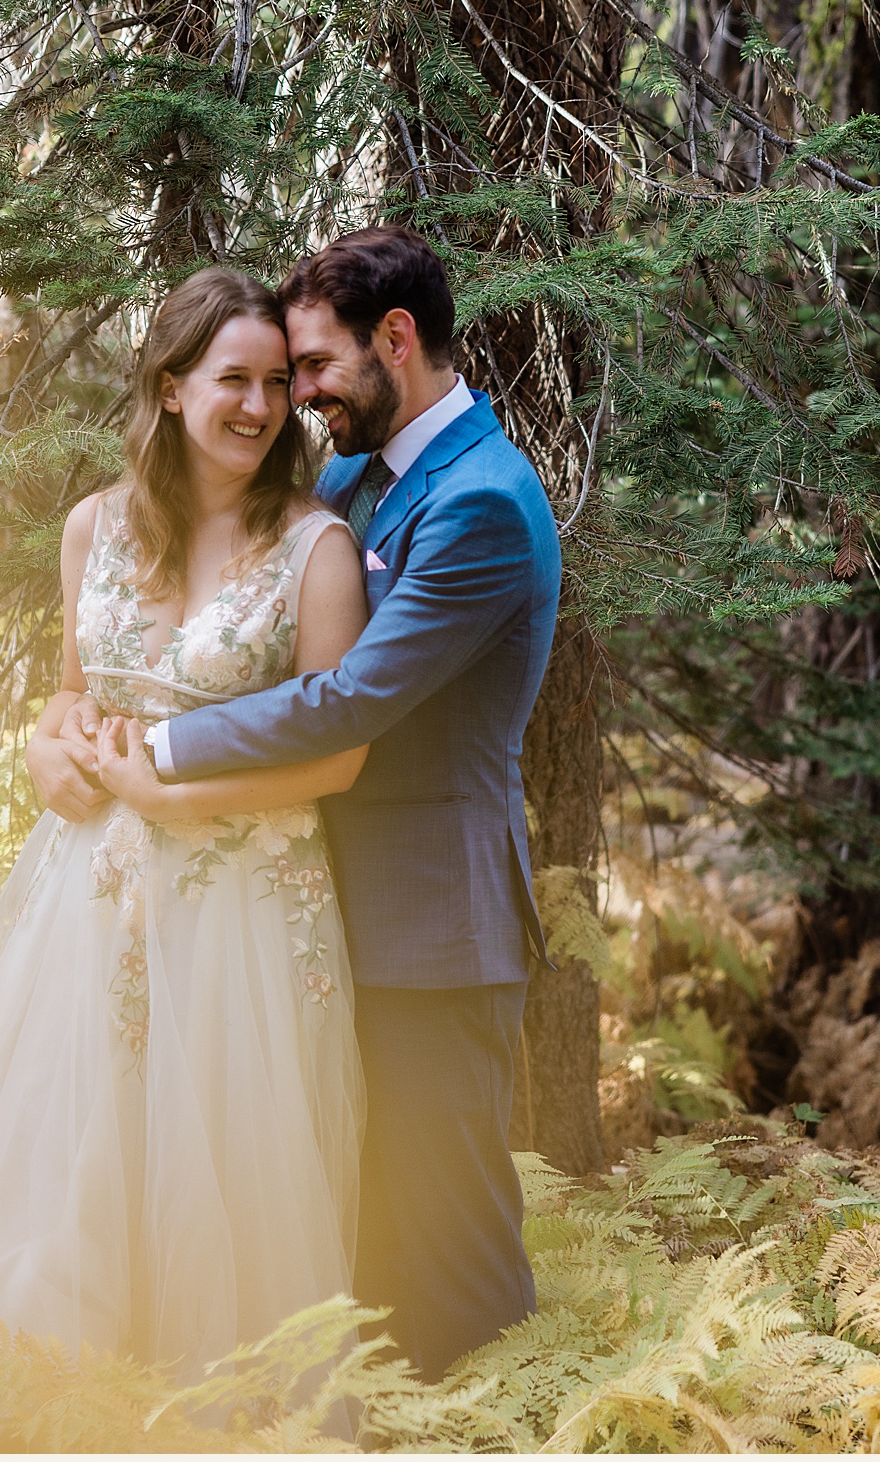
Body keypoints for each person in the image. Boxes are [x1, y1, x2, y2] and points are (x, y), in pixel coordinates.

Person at [0, 267, 371, 1449]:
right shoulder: (93, 526)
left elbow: (336, 760)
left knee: (224, 1202)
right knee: (57, 1183)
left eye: (277, 383)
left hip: (243, 908)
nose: (257, 405)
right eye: (231, 378)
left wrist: (170, 796)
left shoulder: (316, 548)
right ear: (170, 384)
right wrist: (47, 750)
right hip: (83, 906)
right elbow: (74, 695)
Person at [64, 226, 563, 1378]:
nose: (301, 403)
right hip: (317, 911)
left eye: (315, 370)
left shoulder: (480, 499)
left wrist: (163, 740)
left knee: (445, 1231)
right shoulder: (354, 477)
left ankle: (490, 1427)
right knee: (354, 1232)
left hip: (432, 923)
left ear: (395, 339)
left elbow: (346, 699)